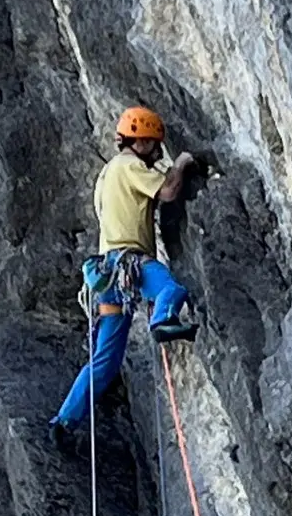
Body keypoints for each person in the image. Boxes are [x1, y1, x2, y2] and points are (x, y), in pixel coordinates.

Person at [50, 106, 197, 447]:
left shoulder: (107, 176)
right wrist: (182, 163)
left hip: (107, 280)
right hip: (130, 264)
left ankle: (64, 420)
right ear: (141, 141)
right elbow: (168, 192)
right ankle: (162, 321)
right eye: (152, 142)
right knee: (170, 291)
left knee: (104, 362)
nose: (156, 148)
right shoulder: (128, 166)